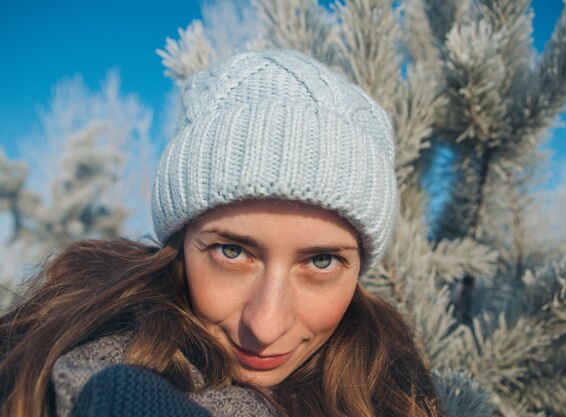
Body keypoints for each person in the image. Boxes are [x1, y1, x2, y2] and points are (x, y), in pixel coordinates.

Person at [0, 49, 443, 417]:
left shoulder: (395, 390)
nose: (266, 326)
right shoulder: (66, 368)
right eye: (231, 251)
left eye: (321, 261)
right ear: (180, 242)